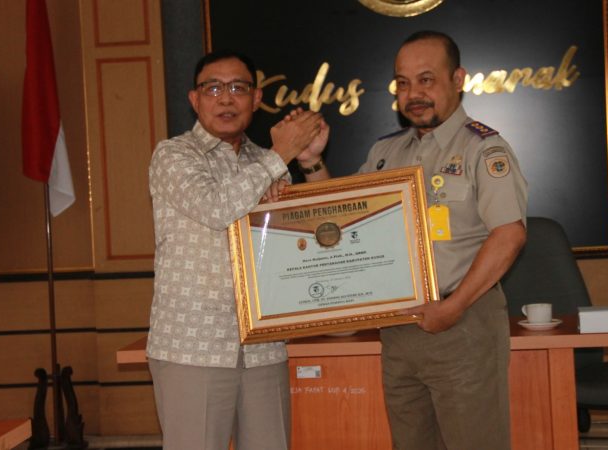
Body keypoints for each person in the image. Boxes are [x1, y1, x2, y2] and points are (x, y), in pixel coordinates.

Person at [293, 30, 528, 449]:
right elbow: (340, 221)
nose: (413, 94)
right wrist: (311, 162)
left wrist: (453, 307)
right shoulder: (386, 153)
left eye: (426, 79)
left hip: (462, 323)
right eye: (402, 83)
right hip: (399, 330)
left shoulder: (483, 149)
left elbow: (509, 234)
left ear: (458, 79)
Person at [146, 49, 328, 450]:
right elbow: (216, 209)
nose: (226, 98)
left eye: (238, 88)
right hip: (193, 347)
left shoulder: (267, 161)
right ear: (194, 99)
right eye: (213, 88)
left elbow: (321, 227)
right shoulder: (173, 154)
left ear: (256, 98)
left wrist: (311, 161)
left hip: (264, 346)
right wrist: (281, 155)